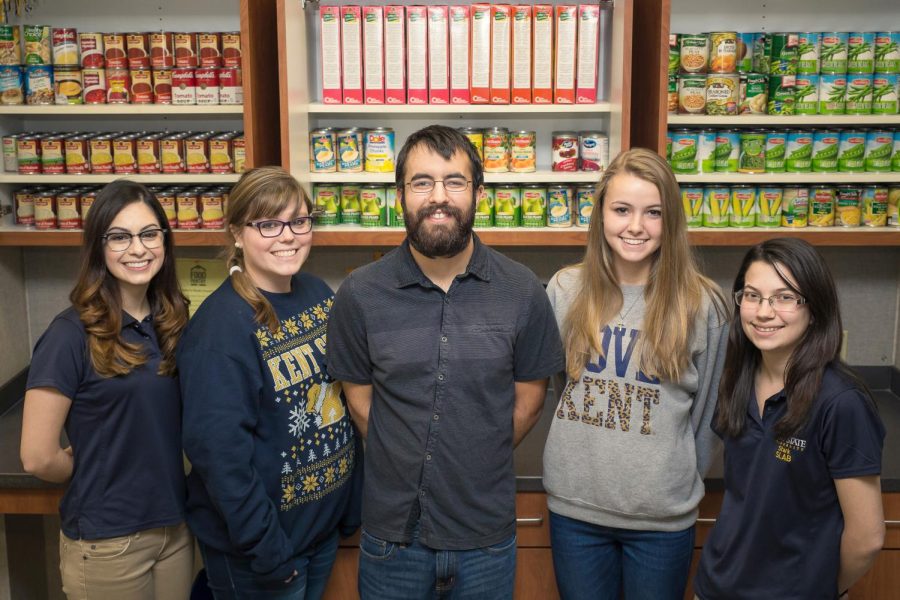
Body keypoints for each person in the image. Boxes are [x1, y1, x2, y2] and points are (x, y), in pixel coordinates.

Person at [326, 124, 564, 599]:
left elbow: (529, 402)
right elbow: (360, 405)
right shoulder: (360, 293)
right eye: (422, 182)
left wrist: (473, 453)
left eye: (454, 181)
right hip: (392, 541)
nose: (439, 197)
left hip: (487, 540)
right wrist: (409, 453)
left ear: (478, 193)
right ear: (400, 196)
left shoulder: (522, 291)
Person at [543, 147, 728, 600]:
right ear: (600, 214)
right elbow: (559, 387)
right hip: (575, 509)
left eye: (653, 213)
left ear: (672, 222)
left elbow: (709, 416)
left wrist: (672, 478)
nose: (635, 227)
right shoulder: (564, 289)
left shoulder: (704, 305)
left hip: (661, 520)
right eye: (622, 210)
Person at [178, 166, 361, 600]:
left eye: (299, 221)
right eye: (268, 224)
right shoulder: (219, 331)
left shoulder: (317, 293)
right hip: (264, 555)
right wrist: (269, 552)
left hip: (318, 534)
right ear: (237, 233)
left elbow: (339, 399)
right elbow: (221, 459)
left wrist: (349, 506)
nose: (289, 236)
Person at [20, 180, 193, 599]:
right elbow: (38, 456)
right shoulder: (70, 334)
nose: (138, 248)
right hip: (108, 543)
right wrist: (93, 468)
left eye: (149, 234)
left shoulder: (172, 319)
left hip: (174, 530)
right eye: (120, 236)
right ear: (98, 246)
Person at [694, 238, 885, 600]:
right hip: (716, 587)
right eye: (752, 295)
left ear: (815, 307)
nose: (764, 312)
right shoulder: (736, 380)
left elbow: (867, 538)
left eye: (785, 297)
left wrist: (817, 588)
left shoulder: (841, 403)